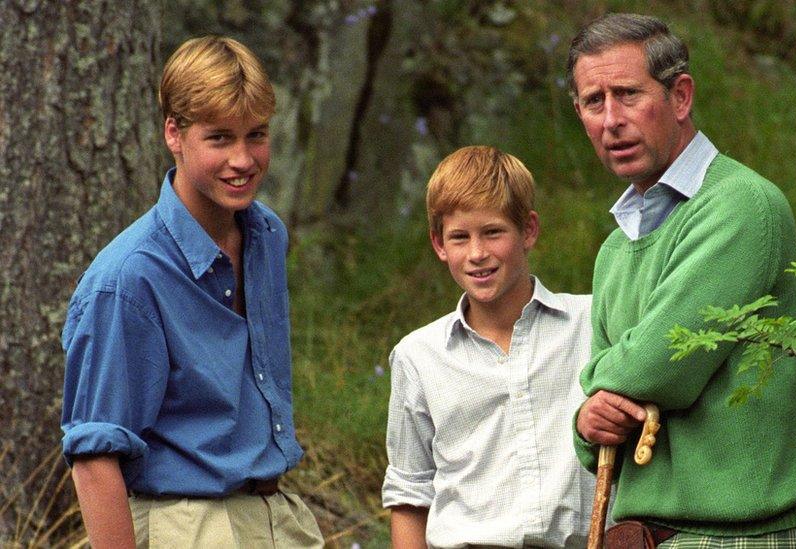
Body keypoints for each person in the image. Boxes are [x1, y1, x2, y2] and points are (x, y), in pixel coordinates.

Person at [567, 13, 796, 547]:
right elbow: (609, 404)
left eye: (628, 94)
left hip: (746, 537)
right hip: (650, 535)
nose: (611, 119)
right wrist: (588, 423)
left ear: (680, 97)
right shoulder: (615, 247)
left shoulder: (741, 206)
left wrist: (600, 381)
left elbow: (654, 368)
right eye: (594, 101)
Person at [60, 36, 324, 548]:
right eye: (220, 138)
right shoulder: (129, 279)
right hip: (187, 525)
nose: (244, 159)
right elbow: (94, 463)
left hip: (276, 517)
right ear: (174, 134)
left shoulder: (265, 235)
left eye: (257, 135)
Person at [382, 146, 595, 548]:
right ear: (439, 244)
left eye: (493, 232)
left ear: (528, 230)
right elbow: (410, 493)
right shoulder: (418, 357)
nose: (477, 254)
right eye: (459, 237)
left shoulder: (590, 324)